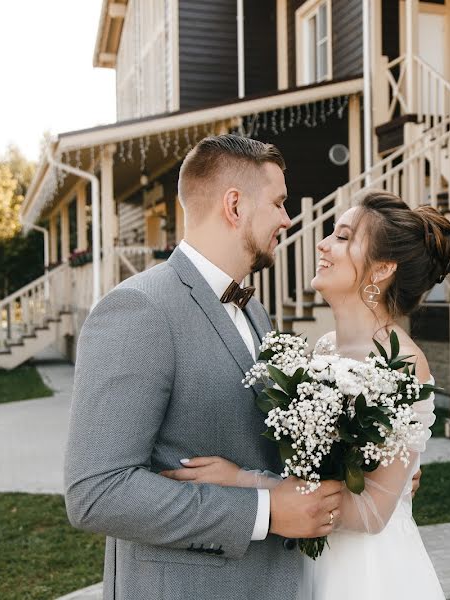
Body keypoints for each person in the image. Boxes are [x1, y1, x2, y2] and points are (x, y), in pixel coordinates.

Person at [64, 134, 345, 600]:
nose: (286, 218)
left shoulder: (256, 311)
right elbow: (96, 492)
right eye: (278, 203)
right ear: (234, 206)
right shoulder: (139, 310)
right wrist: (264, 512)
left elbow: (263, 442)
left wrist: (363, 462)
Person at [162, 191, 450, 599]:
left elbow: (373, 513)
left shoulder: (404, 364)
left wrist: (242, 481)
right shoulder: (323, 347)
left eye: (342, 237)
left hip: (365, 575)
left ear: (382, 269)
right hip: (304, 559)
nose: (322, 243)